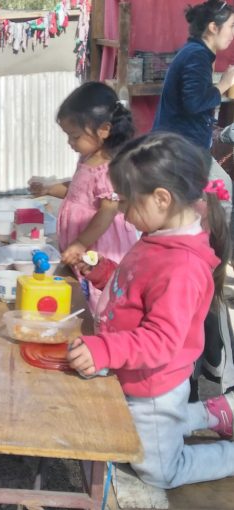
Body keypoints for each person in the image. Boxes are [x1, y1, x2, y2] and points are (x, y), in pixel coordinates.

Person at [67, 132, 234, 489]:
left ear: (162, 198)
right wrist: (102, 273)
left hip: (154, 387)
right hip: (137, 377)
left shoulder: (182, 267)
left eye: (127, 203)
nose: (123, 213)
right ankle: (211, 412)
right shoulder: (156, 239)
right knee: (134, 428)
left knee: (158, 471)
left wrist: (105, 349)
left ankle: (226, 455)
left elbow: (160, 340)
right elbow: (134, 292)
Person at [29, 81, 138, 309]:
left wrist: (80, 243)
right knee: (81, 289)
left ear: (104, 130)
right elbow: (77, 192)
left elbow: (107, 212)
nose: (70, 142)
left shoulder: (109, 168)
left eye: (75, 136)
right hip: (84, 245)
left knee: (102, 294)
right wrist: (50, 188)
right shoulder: (87, 159)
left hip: (102, 245)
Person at [152, 0, 234, 218]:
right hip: (181, 149)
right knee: (221, 198)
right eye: (231, 26)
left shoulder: (197, 53)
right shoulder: (196, 56)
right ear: (213, 27)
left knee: (194, 205)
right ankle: (212, 251)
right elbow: (194, 103)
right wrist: (224, 85)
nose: (233, 33)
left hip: (183, 147)